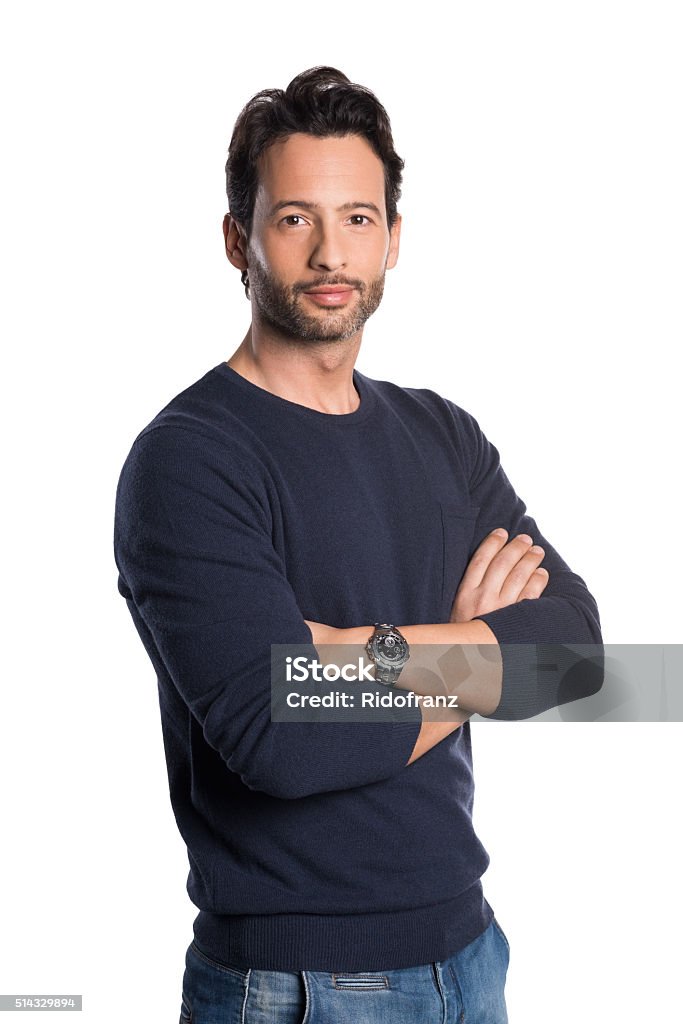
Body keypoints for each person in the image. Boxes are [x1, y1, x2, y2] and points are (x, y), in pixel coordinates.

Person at [114, 66, 602, 1024]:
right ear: (236, 240)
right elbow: (278, 736)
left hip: (471, 956)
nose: (330, 250)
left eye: (359, 218)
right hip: (295, 986)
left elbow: (576, 654)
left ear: (393, 239)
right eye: (294, 218)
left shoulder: (442, 435)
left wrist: (346, 653)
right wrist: (469, 649)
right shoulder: (190, 461)